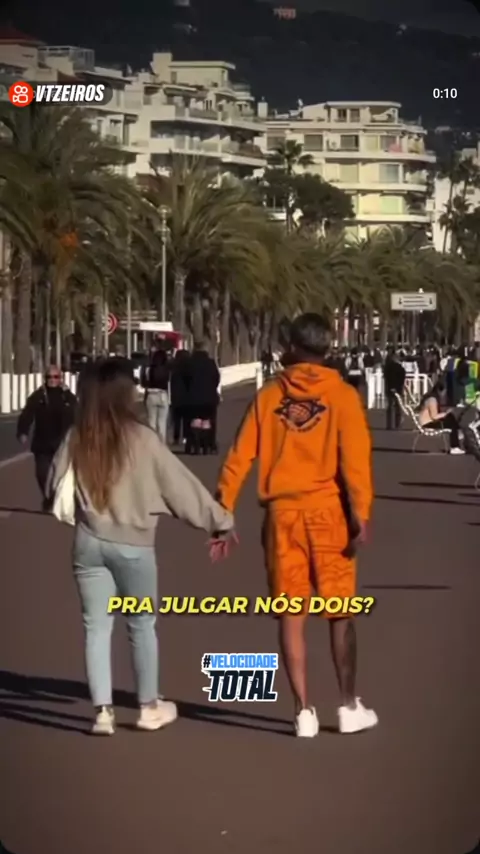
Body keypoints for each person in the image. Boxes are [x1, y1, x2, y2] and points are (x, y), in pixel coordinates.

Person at [46, 358, 235, 736]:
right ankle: (148, 706)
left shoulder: (78, 436)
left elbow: (53, 483)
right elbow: (180, 488)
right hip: (134, 546)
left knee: (96, 628)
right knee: (141, 625)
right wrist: (220, 521)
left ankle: (103, 712)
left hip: (88, 542)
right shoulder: (143, 439)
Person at [213, 313, 377, 738]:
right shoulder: (341, 396)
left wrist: (222, 511)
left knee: (291, 613)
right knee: (340, 611)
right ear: (327, 348)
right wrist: (361, 512)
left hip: (282, 515)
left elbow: (239, 457)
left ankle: (303, 711)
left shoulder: (269, 396)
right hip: (328, 514)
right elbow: (355, 461)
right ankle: (348, 705)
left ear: (292, 347)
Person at [17, 366, 76, 501]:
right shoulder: (38, 396)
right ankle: (48, 498)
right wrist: (23, 431)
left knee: (61, 476)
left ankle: (56, 499)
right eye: (49, 377)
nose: (52, 380)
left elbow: (77, 415)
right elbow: (27, 414)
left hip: (63, 444)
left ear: (60, 379)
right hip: (42, 444)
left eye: (55, 377)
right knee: (42, 475)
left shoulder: (68, 397)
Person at [185, 341, 220, 455]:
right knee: (206, 421)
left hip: (193, 398)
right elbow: (216, 378)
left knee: (195, 420)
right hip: (209, 398)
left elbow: (186, 379)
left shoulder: (190, 363)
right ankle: (206, 446)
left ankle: (195, 445)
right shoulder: (210, 363)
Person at [417, 379, 464, 454]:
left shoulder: (431, 398)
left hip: (429, 422)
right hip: (427, 424)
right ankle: (455, 445)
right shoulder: (432, 400)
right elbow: (434, 416)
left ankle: (458, 434)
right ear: (440, 391)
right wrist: (446, 413)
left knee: (451, 419)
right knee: (451, 421)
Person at [141, 343, 171, 442]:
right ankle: (162, 443)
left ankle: (152, 443)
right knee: (162, 422)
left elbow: (144, 382)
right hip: (163, 395)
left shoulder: (149, 369)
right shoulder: (167, 369)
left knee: (151, 421)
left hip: (151, 394)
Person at [170, 349, 191, 447]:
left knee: (176, 420)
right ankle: (186, 437)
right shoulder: (189, 368)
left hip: (176, 397)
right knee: (186, 419)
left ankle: (176, 437)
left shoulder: (174, 368)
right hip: (186, 397)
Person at [383, 350, 406, 430]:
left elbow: (386, 377)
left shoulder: (387, 367)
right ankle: (397, 424)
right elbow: (402, 379)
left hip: (389, 388)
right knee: (398, 407)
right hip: (398, 389)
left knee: (390, 407)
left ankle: (389, 425)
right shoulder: (400, 368)